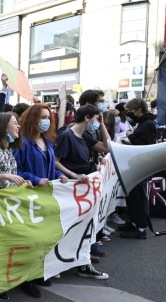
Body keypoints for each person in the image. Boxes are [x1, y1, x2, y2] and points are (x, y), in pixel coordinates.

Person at [13, 104, 69, 298]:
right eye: (42, 117)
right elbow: (16, 171)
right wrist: (36, 179)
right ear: (32, 119)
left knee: (45, 237)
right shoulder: (23, 143)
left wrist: (60, 174)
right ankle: (26, 278)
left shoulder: (48, 142)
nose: (46, 120)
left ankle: (38, 273)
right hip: (29, 198)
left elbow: (50, 167)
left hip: (47, 198)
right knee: (31, 240)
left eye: (48, 117)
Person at [0, 112, 33, 302]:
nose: (18, 127)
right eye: (15, 123)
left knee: (4, 249)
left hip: (6, 209)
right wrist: (3, 177)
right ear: (3, 127)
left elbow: (12, 176)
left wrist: (21, 182)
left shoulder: (8, 149)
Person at [54, 105, 111, 279]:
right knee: (71, 226)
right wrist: (72, 174)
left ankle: (83, 263)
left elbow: (107, 147)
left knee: (87, 226)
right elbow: (56, 161)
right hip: (71, 187)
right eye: (96, 118)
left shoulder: (84, 136)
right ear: (87, 118)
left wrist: (102, 125)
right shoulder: (66, 136)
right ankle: (61, 263)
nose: (96, 122)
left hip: (84, 186)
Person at [118, 98, 157, 240]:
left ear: (139, 109)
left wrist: (131, 136)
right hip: (137, 164)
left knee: (138, 197)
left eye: (131, 111)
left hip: (141, 165)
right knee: (133, 196)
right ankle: (135, 222)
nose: (129, 113)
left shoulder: (147, 124)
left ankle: (141, 228)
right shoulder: (143, 123)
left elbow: (145, 146)